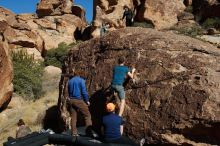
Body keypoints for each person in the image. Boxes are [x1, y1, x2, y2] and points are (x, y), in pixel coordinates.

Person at [68, 70, 93, 137]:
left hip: (71, 100)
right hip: (78, 100)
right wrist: (87, 100)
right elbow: (84, 92)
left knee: (73, 117)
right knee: (87, 115)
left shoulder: (70, 81)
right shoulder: (81, 80)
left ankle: (74, 133)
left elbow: (69, 92)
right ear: (79, 74)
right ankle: (89, 133)